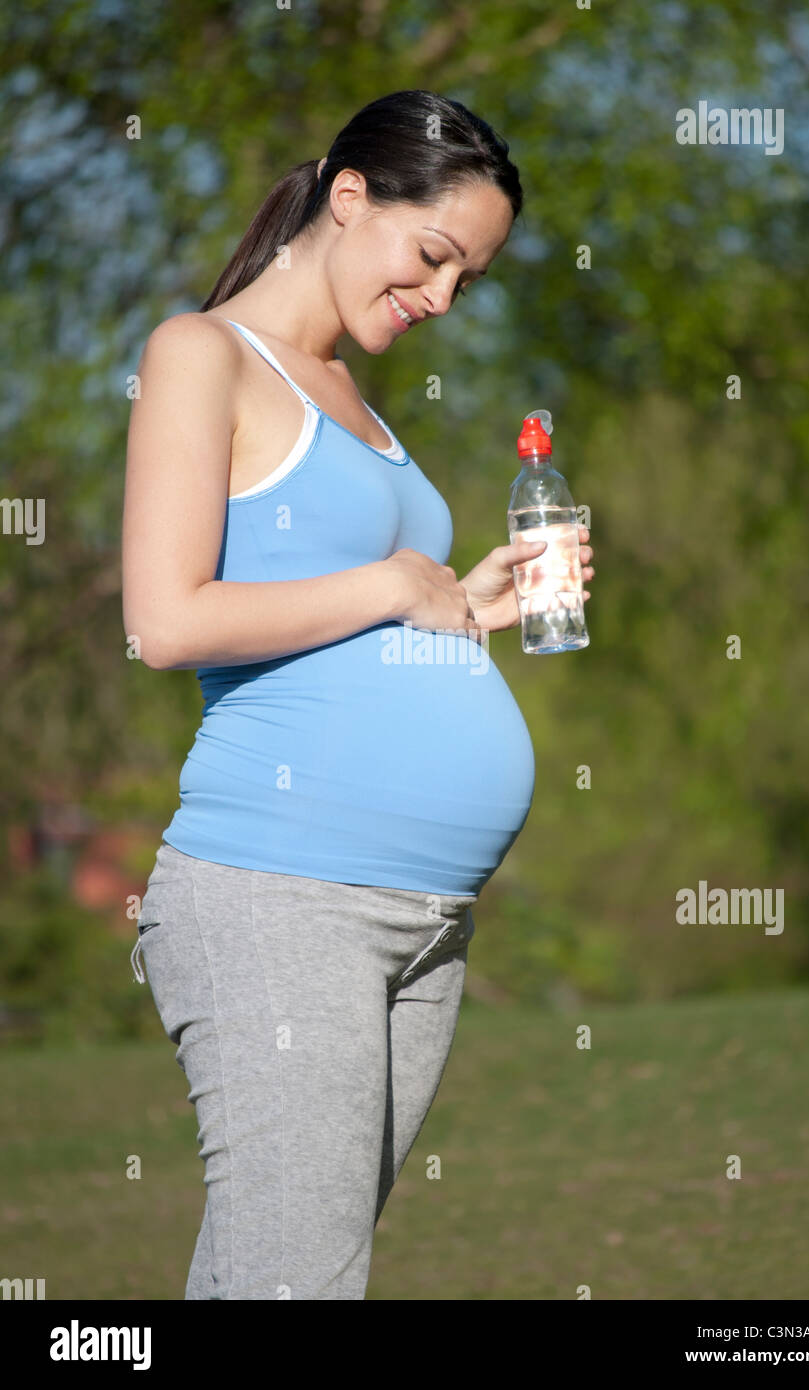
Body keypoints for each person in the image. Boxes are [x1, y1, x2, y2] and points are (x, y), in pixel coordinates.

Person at [121, 88, 595, 1301]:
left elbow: (356, 612)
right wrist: (393, 582)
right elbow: (167, 620)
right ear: (349, 197)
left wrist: (462, 602)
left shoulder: (354, 397)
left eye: (468, 281)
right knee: (301, 1279)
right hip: (283, 896)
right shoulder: (202, 354)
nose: (442, 298)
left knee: (275, 1272)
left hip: (424, 919)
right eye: (434, 255)